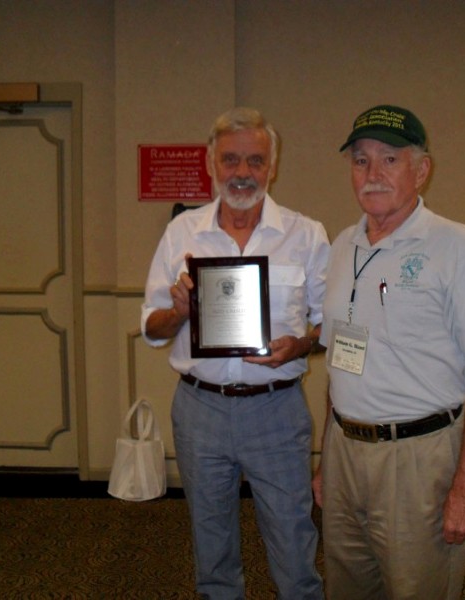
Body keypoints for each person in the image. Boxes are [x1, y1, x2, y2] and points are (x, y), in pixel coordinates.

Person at [313, 105, 465, 599]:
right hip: (344, 452)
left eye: (390, 159)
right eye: (360, 160)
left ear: (421, 171)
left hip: (418, 460)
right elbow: (339, 364)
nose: (372, 173)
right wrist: (325, 458)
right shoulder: (342, 247)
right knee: (347, 590)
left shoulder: (457, 247)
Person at [141, 107, 327, 600]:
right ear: (211, 163)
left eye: (255, 161)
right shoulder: (182, 234)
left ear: (273, 166)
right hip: (199, 409)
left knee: (294, 544)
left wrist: (301, 344)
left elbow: (329, 325)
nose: (242, 172)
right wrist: (179, 311)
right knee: (212, 549)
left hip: (277, 410)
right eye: (230, 160)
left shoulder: (306, 234)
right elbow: (151, 328)